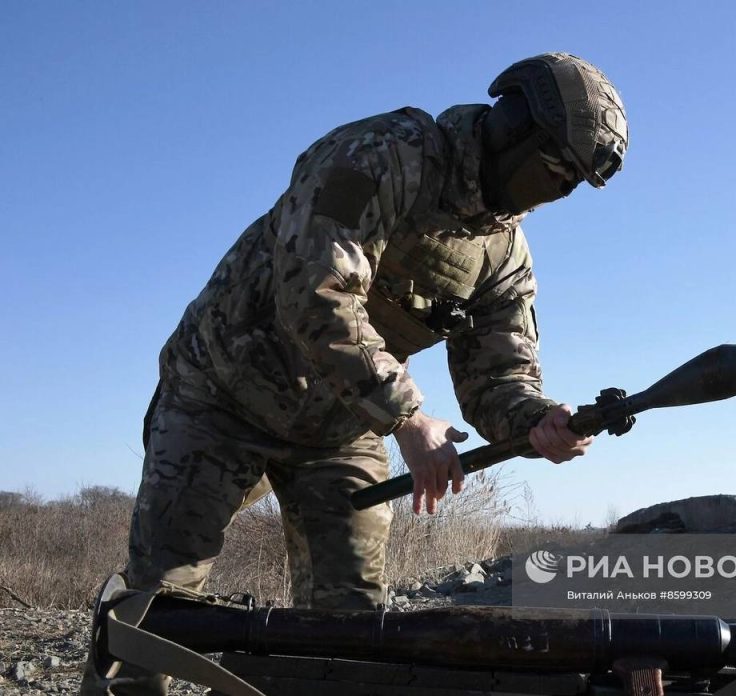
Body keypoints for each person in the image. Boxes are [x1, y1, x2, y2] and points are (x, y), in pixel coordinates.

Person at [81, 51, 628, 694]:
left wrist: (539, 421)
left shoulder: (504, 255)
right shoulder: (381, 155)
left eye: (573, 182)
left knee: (350, 633)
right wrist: (407, 418)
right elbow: (317, 294)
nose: (558, 191)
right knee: (157, 605)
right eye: (556, 169)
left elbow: (498, 376)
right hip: (220, 397)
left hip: (341, 431)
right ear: (514, 130)